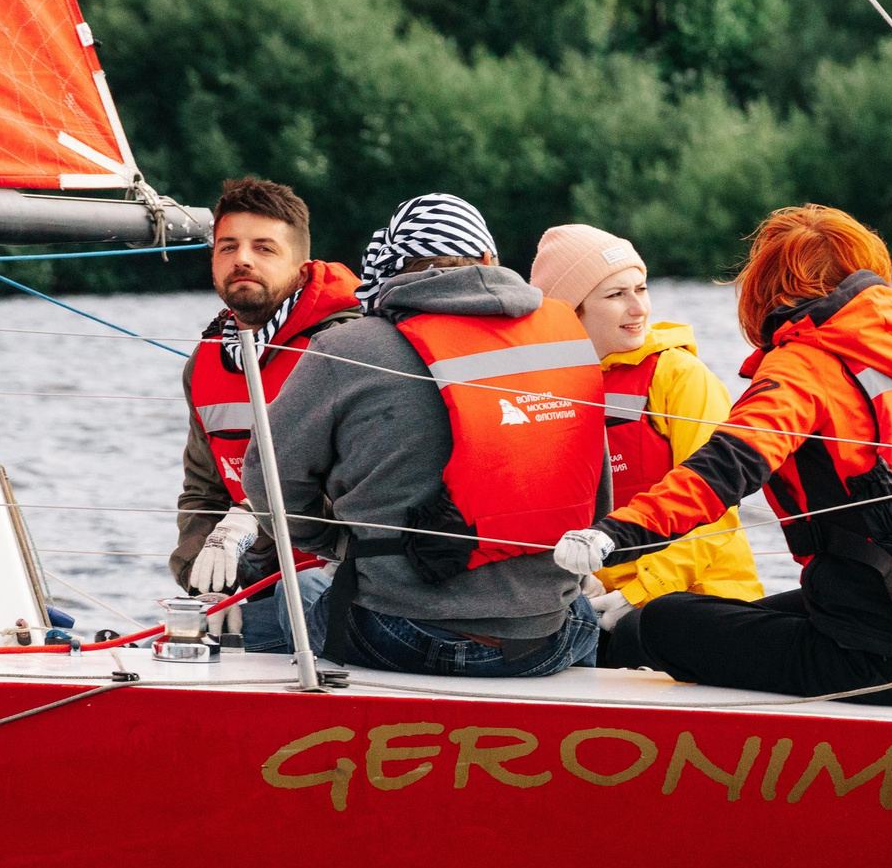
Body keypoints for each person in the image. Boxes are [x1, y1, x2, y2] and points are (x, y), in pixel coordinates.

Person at [553, 204, 892, 705]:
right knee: (748, 615)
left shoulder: (806, 363)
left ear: (768, 287)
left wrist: (613, 535)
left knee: (661, 622)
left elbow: (727, 467)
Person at [249, 193, 606, 677]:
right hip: (546, 638)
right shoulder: (565, 341)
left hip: (403, 636)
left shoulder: (345, 346)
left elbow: (266, 474)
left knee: (305, 592)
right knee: (581, 611)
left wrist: (330, 543)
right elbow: (599, 501)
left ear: (393, 266)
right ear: (489, 259)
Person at [529, 223, 762, 616]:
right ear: (569, 309)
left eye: (641, 289)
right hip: (590, 597)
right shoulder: (543, 388)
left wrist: (644, 590)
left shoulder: (679, 376)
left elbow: (717, 504)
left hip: (697, 599)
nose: (639, 309)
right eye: (617, 295)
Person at [170, 176, 361, 648]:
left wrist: (251, 520)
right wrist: (205, 582)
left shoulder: (349, 348)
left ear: (301, 265)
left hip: (344, 575)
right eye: (227, 247)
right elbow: (203, 490)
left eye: (264, 248)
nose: (242, 259)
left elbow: (364, 489)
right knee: (187, 637)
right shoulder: (205, 364)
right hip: (254, 575)